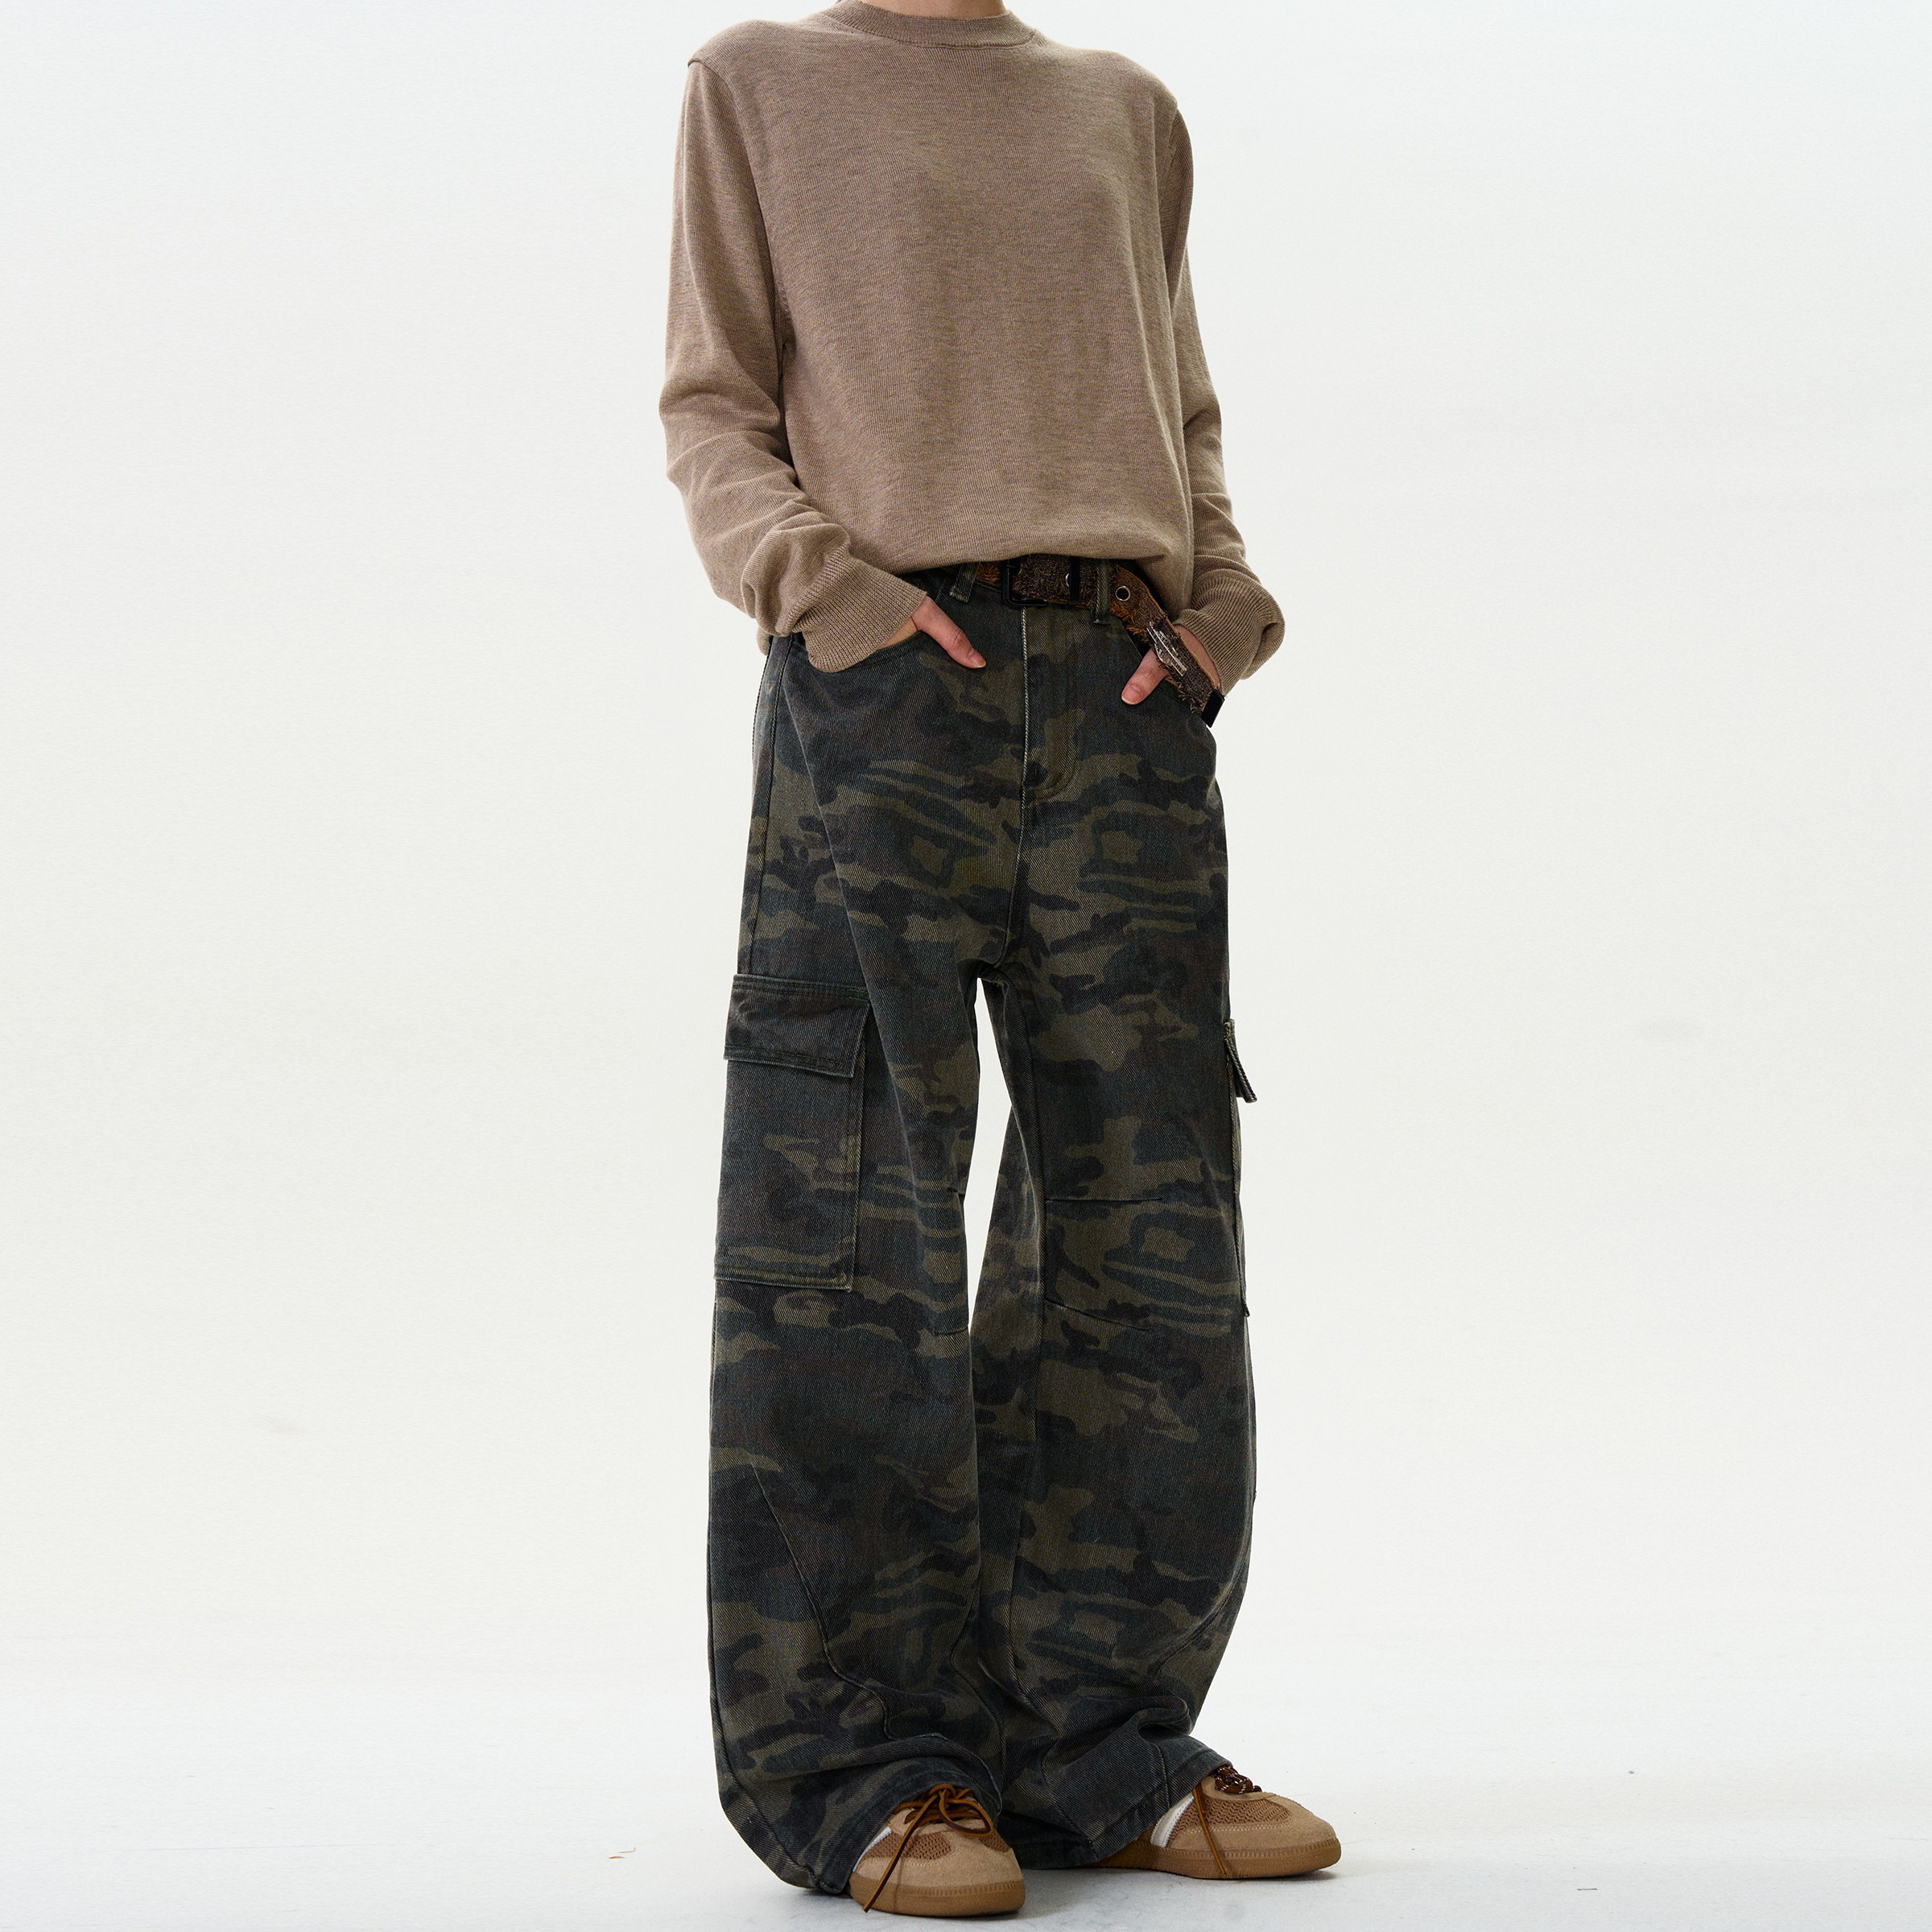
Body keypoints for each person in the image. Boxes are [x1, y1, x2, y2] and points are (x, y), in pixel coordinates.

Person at [661, 0, 1339, 1913]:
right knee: (846, 1208)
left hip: (1129, 688)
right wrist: (830, 594)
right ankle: (865, 1767)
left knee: (1148, 1219)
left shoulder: (1123, 108)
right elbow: (714, 405)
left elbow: (1176, 407)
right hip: (888, 689)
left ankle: (1098, 1743)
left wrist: (1223, 607)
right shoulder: (759, 82)